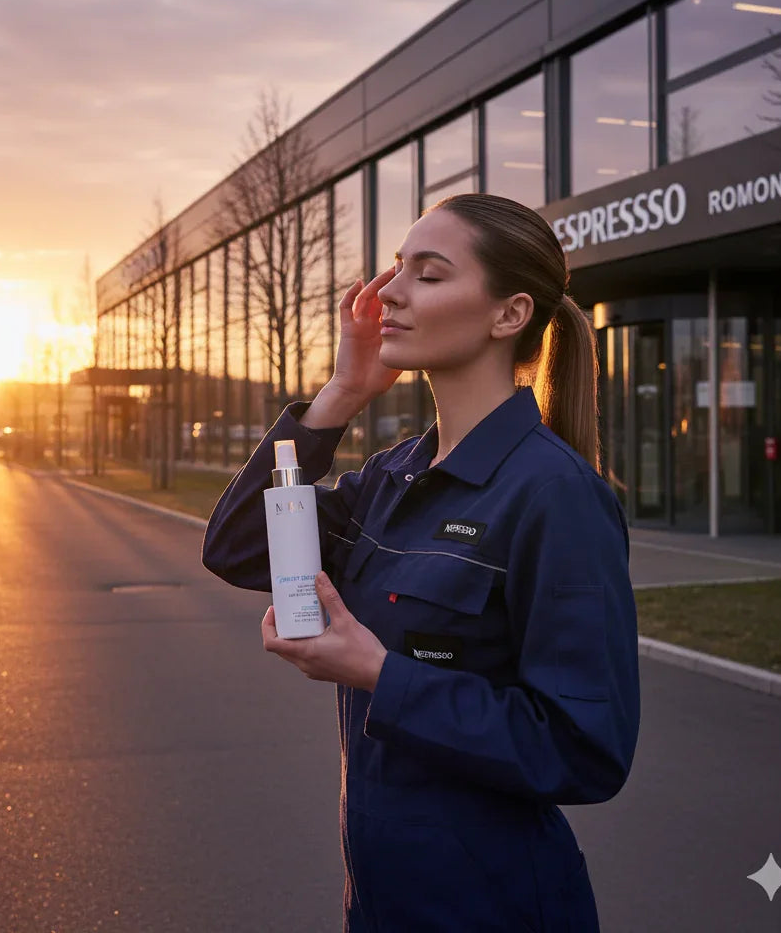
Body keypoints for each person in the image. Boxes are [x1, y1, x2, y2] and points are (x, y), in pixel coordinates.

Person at [202, 193, 641, 932]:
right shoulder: (393, 475)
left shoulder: (555, 495)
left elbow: (583, 749)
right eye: (398, 267)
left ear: (509, 314)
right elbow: (240, 547)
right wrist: (341, 394)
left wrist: (382, 674)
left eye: (429, 275)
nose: (389, 293)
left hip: (495, 910)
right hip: (381, 902)